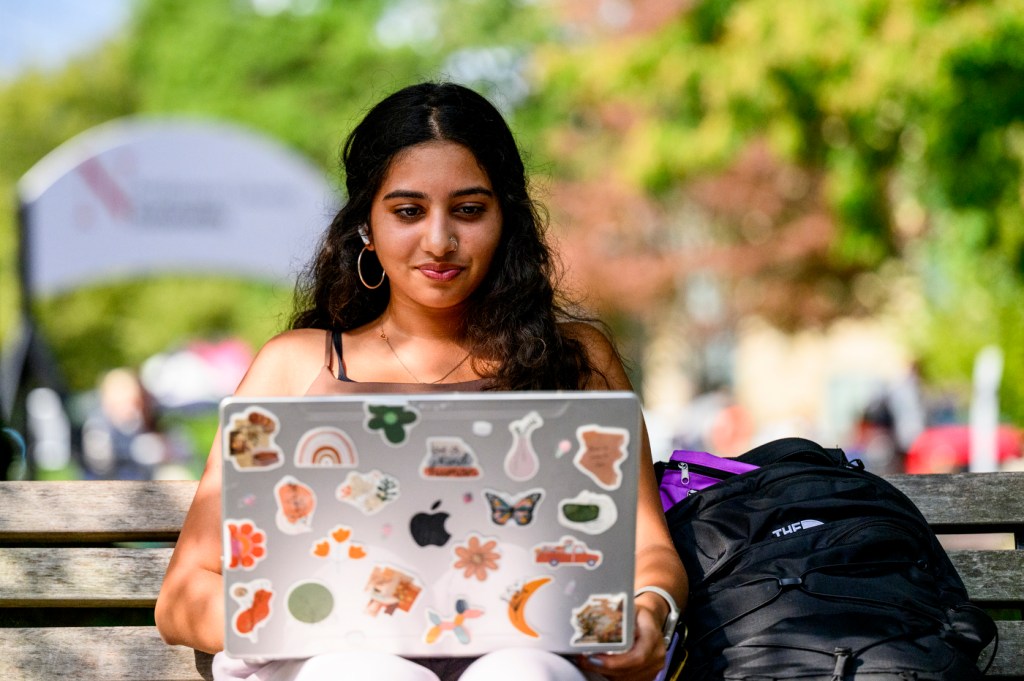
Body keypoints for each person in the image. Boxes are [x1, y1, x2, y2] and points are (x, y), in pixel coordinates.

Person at [155, 81, 687, 681]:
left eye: (468, 210)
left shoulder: (575, 360)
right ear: (366, 226)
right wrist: (308, 618)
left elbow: (647, 549)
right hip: (337, 660)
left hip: (532, 655)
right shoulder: (293, 367)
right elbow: (182, 596)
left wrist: (647, 614)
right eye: (408, 211)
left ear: (505, 218)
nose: (439, 241)